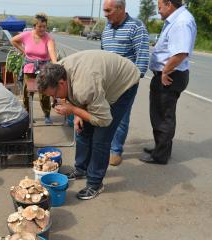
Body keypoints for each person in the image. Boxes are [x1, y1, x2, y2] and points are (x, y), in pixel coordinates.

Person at [37, 50, 140, 200]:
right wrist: (78, 113)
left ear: (61, 83)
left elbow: (104, 120)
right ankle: (81, 169)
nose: (55, 99)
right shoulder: (56, 69)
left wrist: (73, 110)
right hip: (97, 80)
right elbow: (74, 96)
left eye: (54, 95)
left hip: (124, 83)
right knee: (83, 129)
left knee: (101, 137)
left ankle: (95, 183)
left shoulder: (85, 88)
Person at [140, 0, 197, 165]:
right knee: (160, 114)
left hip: (170, 75)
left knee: (163, 116)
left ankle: (160, 155)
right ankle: (160, 149)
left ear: (169, 4)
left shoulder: (182, 21)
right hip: (169, 74)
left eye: (159, 7)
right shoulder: (177, 19)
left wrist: (165, 71)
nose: (158, 11)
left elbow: (180, 53)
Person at [101, 0, 149, 166]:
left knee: (121, 117)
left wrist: (132, 82)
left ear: (120, 9)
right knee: (104, 114)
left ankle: (116, 150)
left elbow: (142, 57)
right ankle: (104, 147)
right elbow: (102, 55)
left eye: (108, 10)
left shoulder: (136, 27)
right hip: (106, 82)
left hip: (125, 84)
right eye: (104, 11)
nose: (105, 14)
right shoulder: (107, 27)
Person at [11, 13, 57, 125]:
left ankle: (47, 115)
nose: (42, 29)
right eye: (39, 26)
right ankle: (28, 116)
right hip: (29, 68)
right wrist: (23, 51)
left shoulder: (48, 38)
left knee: (44, 92)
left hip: (43, 68)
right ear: (34, 26)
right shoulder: (26, 35)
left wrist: (56, 64)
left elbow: (51, 51)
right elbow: (13, 40)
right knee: (28, 93)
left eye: (44, 26)